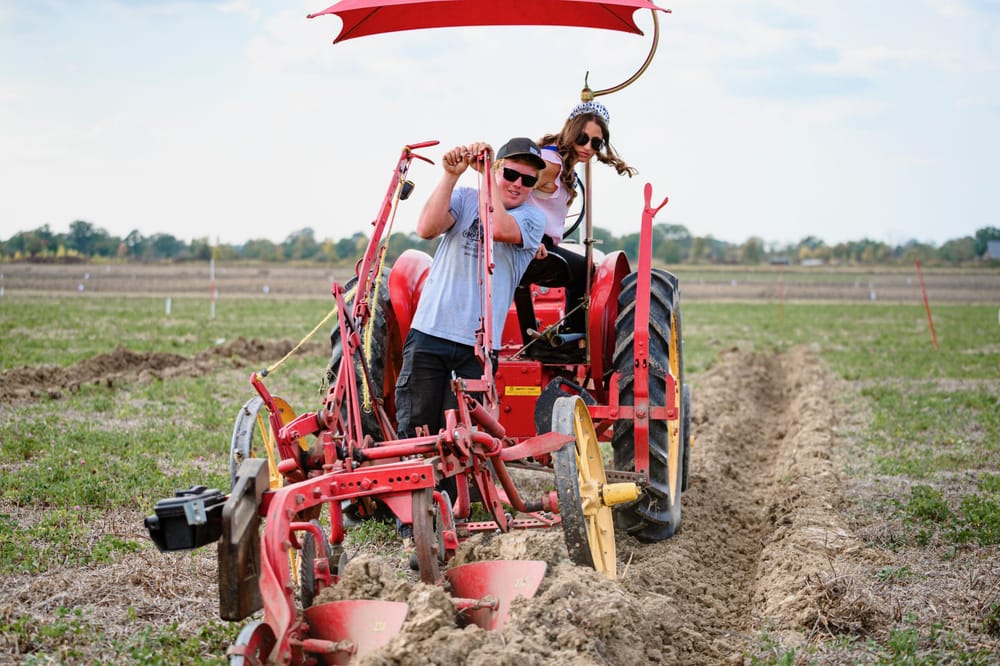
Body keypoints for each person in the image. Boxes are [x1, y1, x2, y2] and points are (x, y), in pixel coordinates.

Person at [394, 137, 546, 440]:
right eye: (510, 175)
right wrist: (451, 175)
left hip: (476, 347)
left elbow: (498, 229)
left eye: (527, 180)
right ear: (499, 169)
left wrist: (487, 176)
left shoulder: (531, 219)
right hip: (429, 333)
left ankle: (456, 490)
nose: (517, 184)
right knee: (414, 431)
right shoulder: (464, 198)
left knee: (465, 441)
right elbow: (426, 228)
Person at [526, 100, 637, 333]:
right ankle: (572, 337)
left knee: (583, 270)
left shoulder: (561, 162)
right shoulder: (551, 163)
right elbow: (509, 189)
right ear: (571, 131)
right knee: (587, 273)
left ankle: (562, 335)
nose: (588, 147)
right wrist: (528, 238)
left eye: (596, 143)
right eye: (582, 138)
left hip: (538, 242)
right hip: (530, 244)